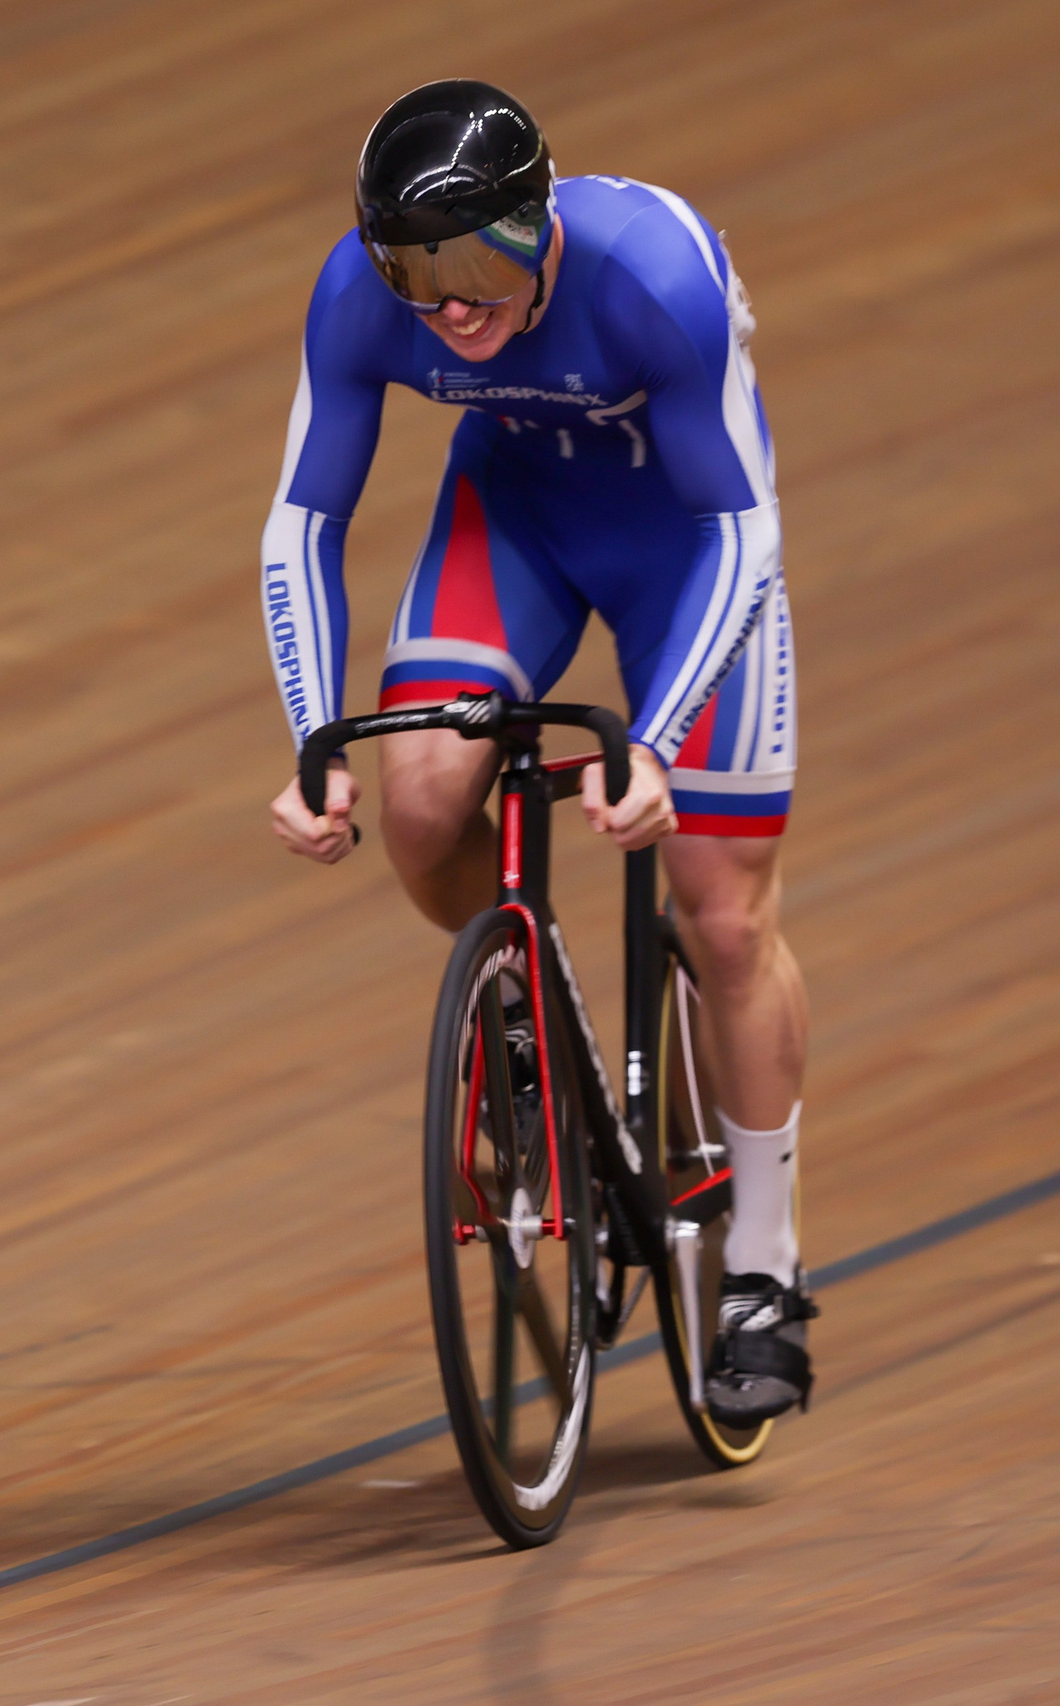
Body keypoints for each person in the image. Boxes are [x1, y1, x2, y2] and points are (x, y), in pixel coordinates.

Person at [259, 82, 814, 1422]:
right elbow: (302, 524)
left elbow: (741, 529)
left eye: (475, 264)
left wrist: (660, 738)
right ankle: (529, 1019)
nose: (447, 306)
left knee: (724, 917)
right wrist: (313, 734)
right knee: (422, 802)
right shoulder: (357, 296)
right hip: (517, 523)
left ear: (540, 217)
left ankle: (763, 1262)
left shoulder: (651, 274)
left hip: (685, 544)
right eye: (414, 272)